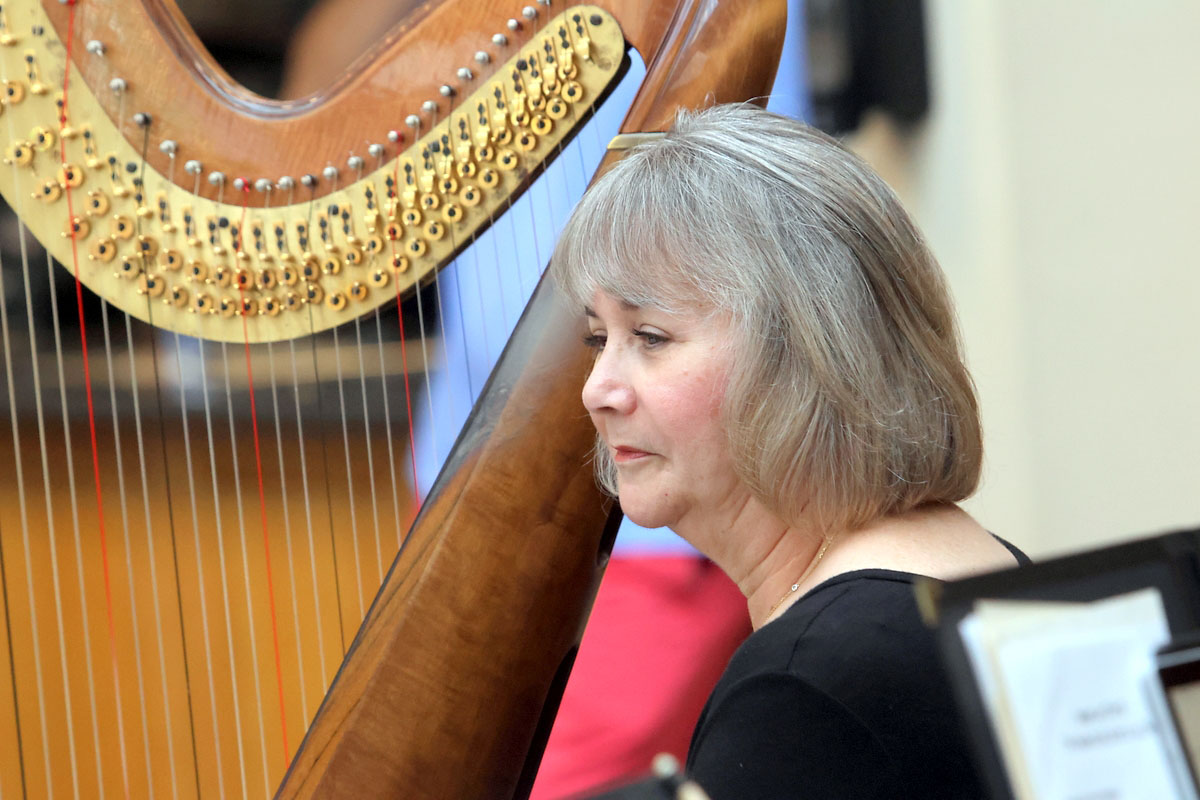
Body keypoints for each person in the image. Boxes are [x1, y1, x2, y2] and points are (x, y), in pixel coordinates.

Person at [549, 103, 1030, 799]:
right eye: (600, 340)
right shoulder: (973, 567)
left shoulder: (808, 687)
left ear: (801, 354)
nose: (598, 390)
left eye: (650, 337)